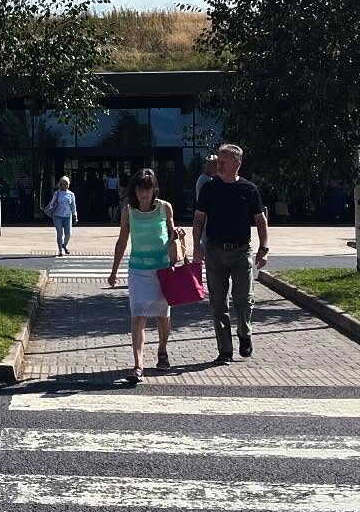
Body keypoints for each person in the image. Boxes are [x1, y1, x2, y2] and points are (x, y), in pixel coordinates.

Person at [193, 143, 270, 363]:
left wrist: (264, 248)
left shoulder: (249, 189)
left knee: (243, 299)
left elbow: (260, 221)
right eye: (218, 161)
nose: (218, 165)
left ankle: (244, 332)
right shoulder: (209, 188)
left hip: (241, 252)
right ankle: (225, 350)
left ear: (237, 163)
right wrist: (197, 247)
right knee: (218, 303)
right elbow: (199, 219)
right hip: (214, 252)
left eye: (223, 161)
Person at [108, 168, 183, 383]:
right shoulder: (128, 211)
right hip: (138, 270)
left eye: (147, 189)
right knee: (138, 315)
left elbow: (172, 234)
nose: (144, 193)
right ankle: (138, 365)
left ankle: (162, 351)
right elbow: (122, 241)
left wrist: (177, 235)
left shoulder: (165, 208)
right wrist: (114, 271)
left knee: (162, 315)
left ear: (154, 189)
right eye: (140, 189)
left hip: (162, 270)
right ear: (134, 190)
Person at [45, 175, 78, 256]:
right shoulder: (57, 193)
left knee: (68, 234)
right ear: (60, 184)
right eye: (63, 184)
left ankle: (64, 245)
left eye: (67, 183)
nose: (65, 185)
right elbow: (52, 204)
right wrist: (52, 209)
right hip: (57, 216)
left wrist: (75, 216)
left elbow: (73, 206)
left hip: (68, 216)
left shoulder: (71, 194)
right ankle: (60, 250)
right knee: (60, 233)